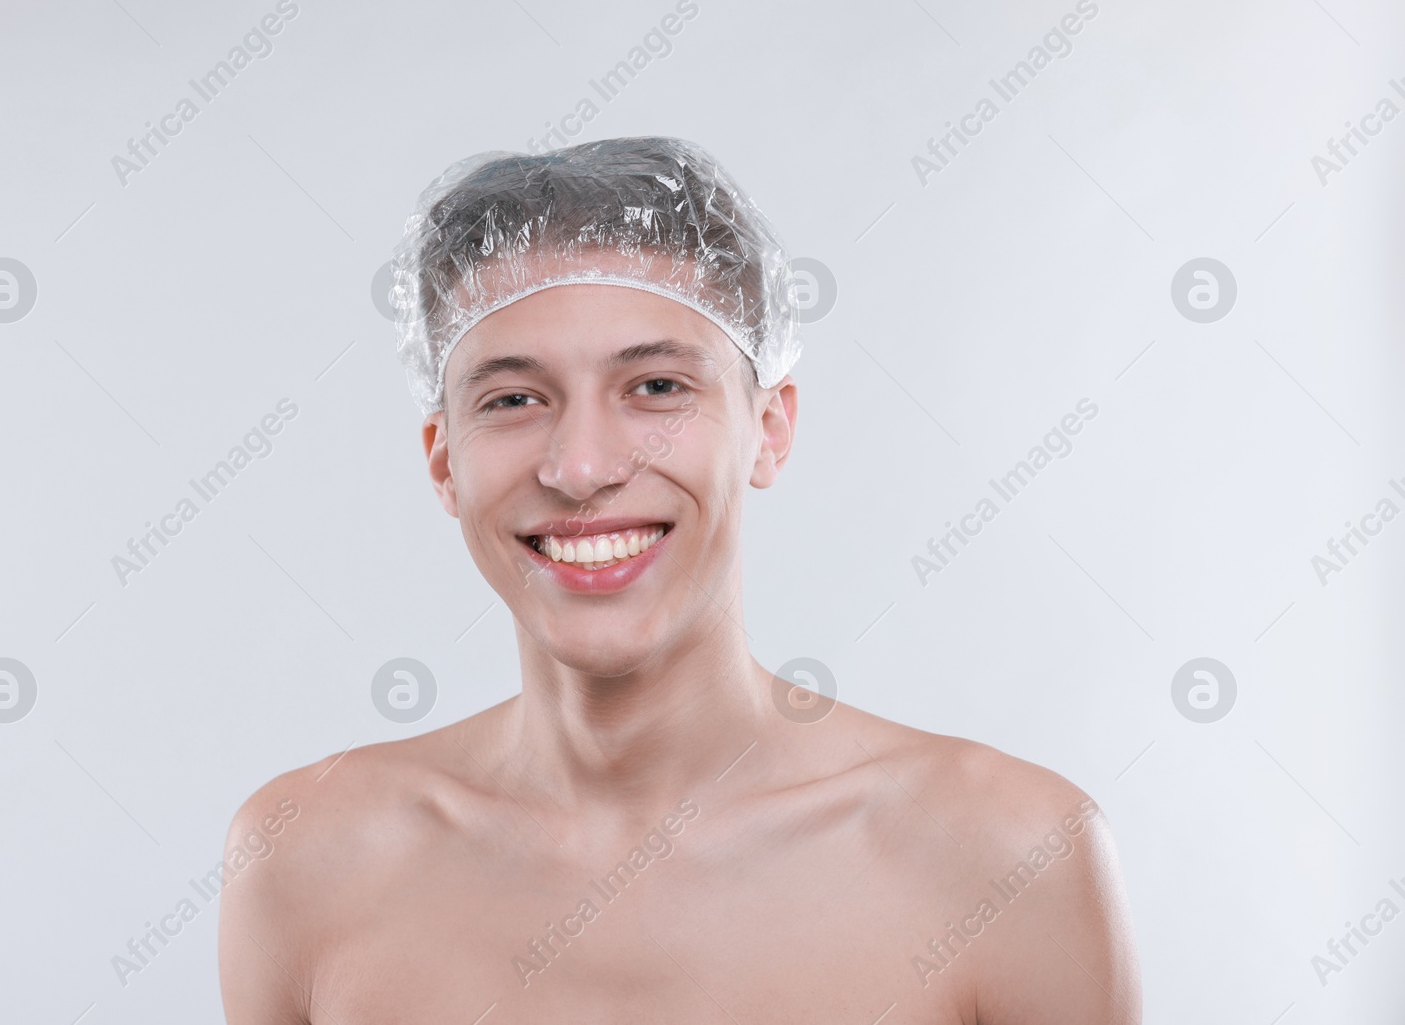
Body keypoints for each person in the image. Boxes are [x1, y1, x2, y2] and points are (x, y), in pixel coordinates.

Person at [218, 136, 1141, 1023]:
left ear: (770, 426)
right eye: (513, 399)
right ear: (442, 459)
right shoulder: (306, 860)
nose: (581, 467)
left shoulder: (1007, 861)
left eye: (657, 386)